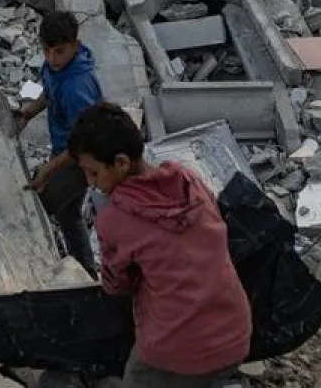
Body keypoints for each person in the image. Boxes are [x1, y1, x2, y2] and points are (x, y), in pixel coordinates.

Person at [69, 103, 252, 388]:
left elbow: (117, 287)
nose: (90, 183)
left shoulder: (115, 219)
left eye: (93, 173)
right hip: (236, 333)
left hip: (177, 350)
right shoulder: (189, 180)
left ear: (121, 163)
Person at [15, 10, 102, 275]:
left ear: (75, 46)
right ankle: (85, 272)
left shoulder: (77, 87)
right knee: (69, 213)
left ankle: (36, 269)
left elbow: (83, 143)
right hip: (64, 147)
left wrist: (49, 169)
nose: (52, 59)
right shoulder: (55, 67)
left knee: (39, 205)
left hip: (82, 159)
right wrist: (29, 112)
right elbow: (50, 92)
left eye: (60, 52)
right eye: (47, 51)